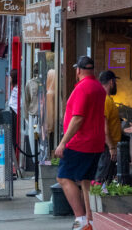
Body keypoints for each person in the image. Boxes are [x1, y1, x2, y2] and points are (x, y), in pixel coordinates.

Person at [55, 56, 106, 230]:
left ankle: (81, 219)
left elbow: (77, 119)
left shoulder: (82, 89)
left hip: (80, 142)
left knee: (63, 177)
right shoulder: (99, 87)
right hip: (96, 142)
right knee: (85, 180)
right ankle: (90, 220)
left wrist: (62, 143)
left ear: (78, 70)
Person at [93, 70, 121, 186]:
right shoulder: (105, 100)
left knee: (107, 178)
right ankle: (97, 203)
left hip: (107, 146)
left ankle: (100, 202)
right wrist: (111, 147)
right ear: (111, 82)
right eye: (115, 82)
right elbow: (103, 127)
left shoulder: (103, 98)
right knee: (101, 179)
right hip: (106, 148)